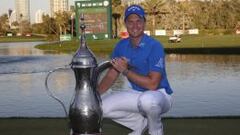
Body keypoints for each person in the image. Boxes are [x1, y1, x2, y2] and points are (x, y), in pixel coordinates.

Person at [98, 4, 173, 135]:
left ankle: (155, 130)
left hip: (160, 95)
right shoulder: (121, 46)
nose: (135, 25)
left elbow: (152, 84)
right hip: (136, 93)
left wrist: (126, 71)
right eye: (130, 22)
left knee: (148, 100)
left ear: (144, 23)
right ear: (125, 23)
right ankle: (142, 124)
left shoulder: (154, 46)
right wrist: (94, 96)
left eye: (139, 21)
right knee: (99, 108)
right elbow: (111, 75)